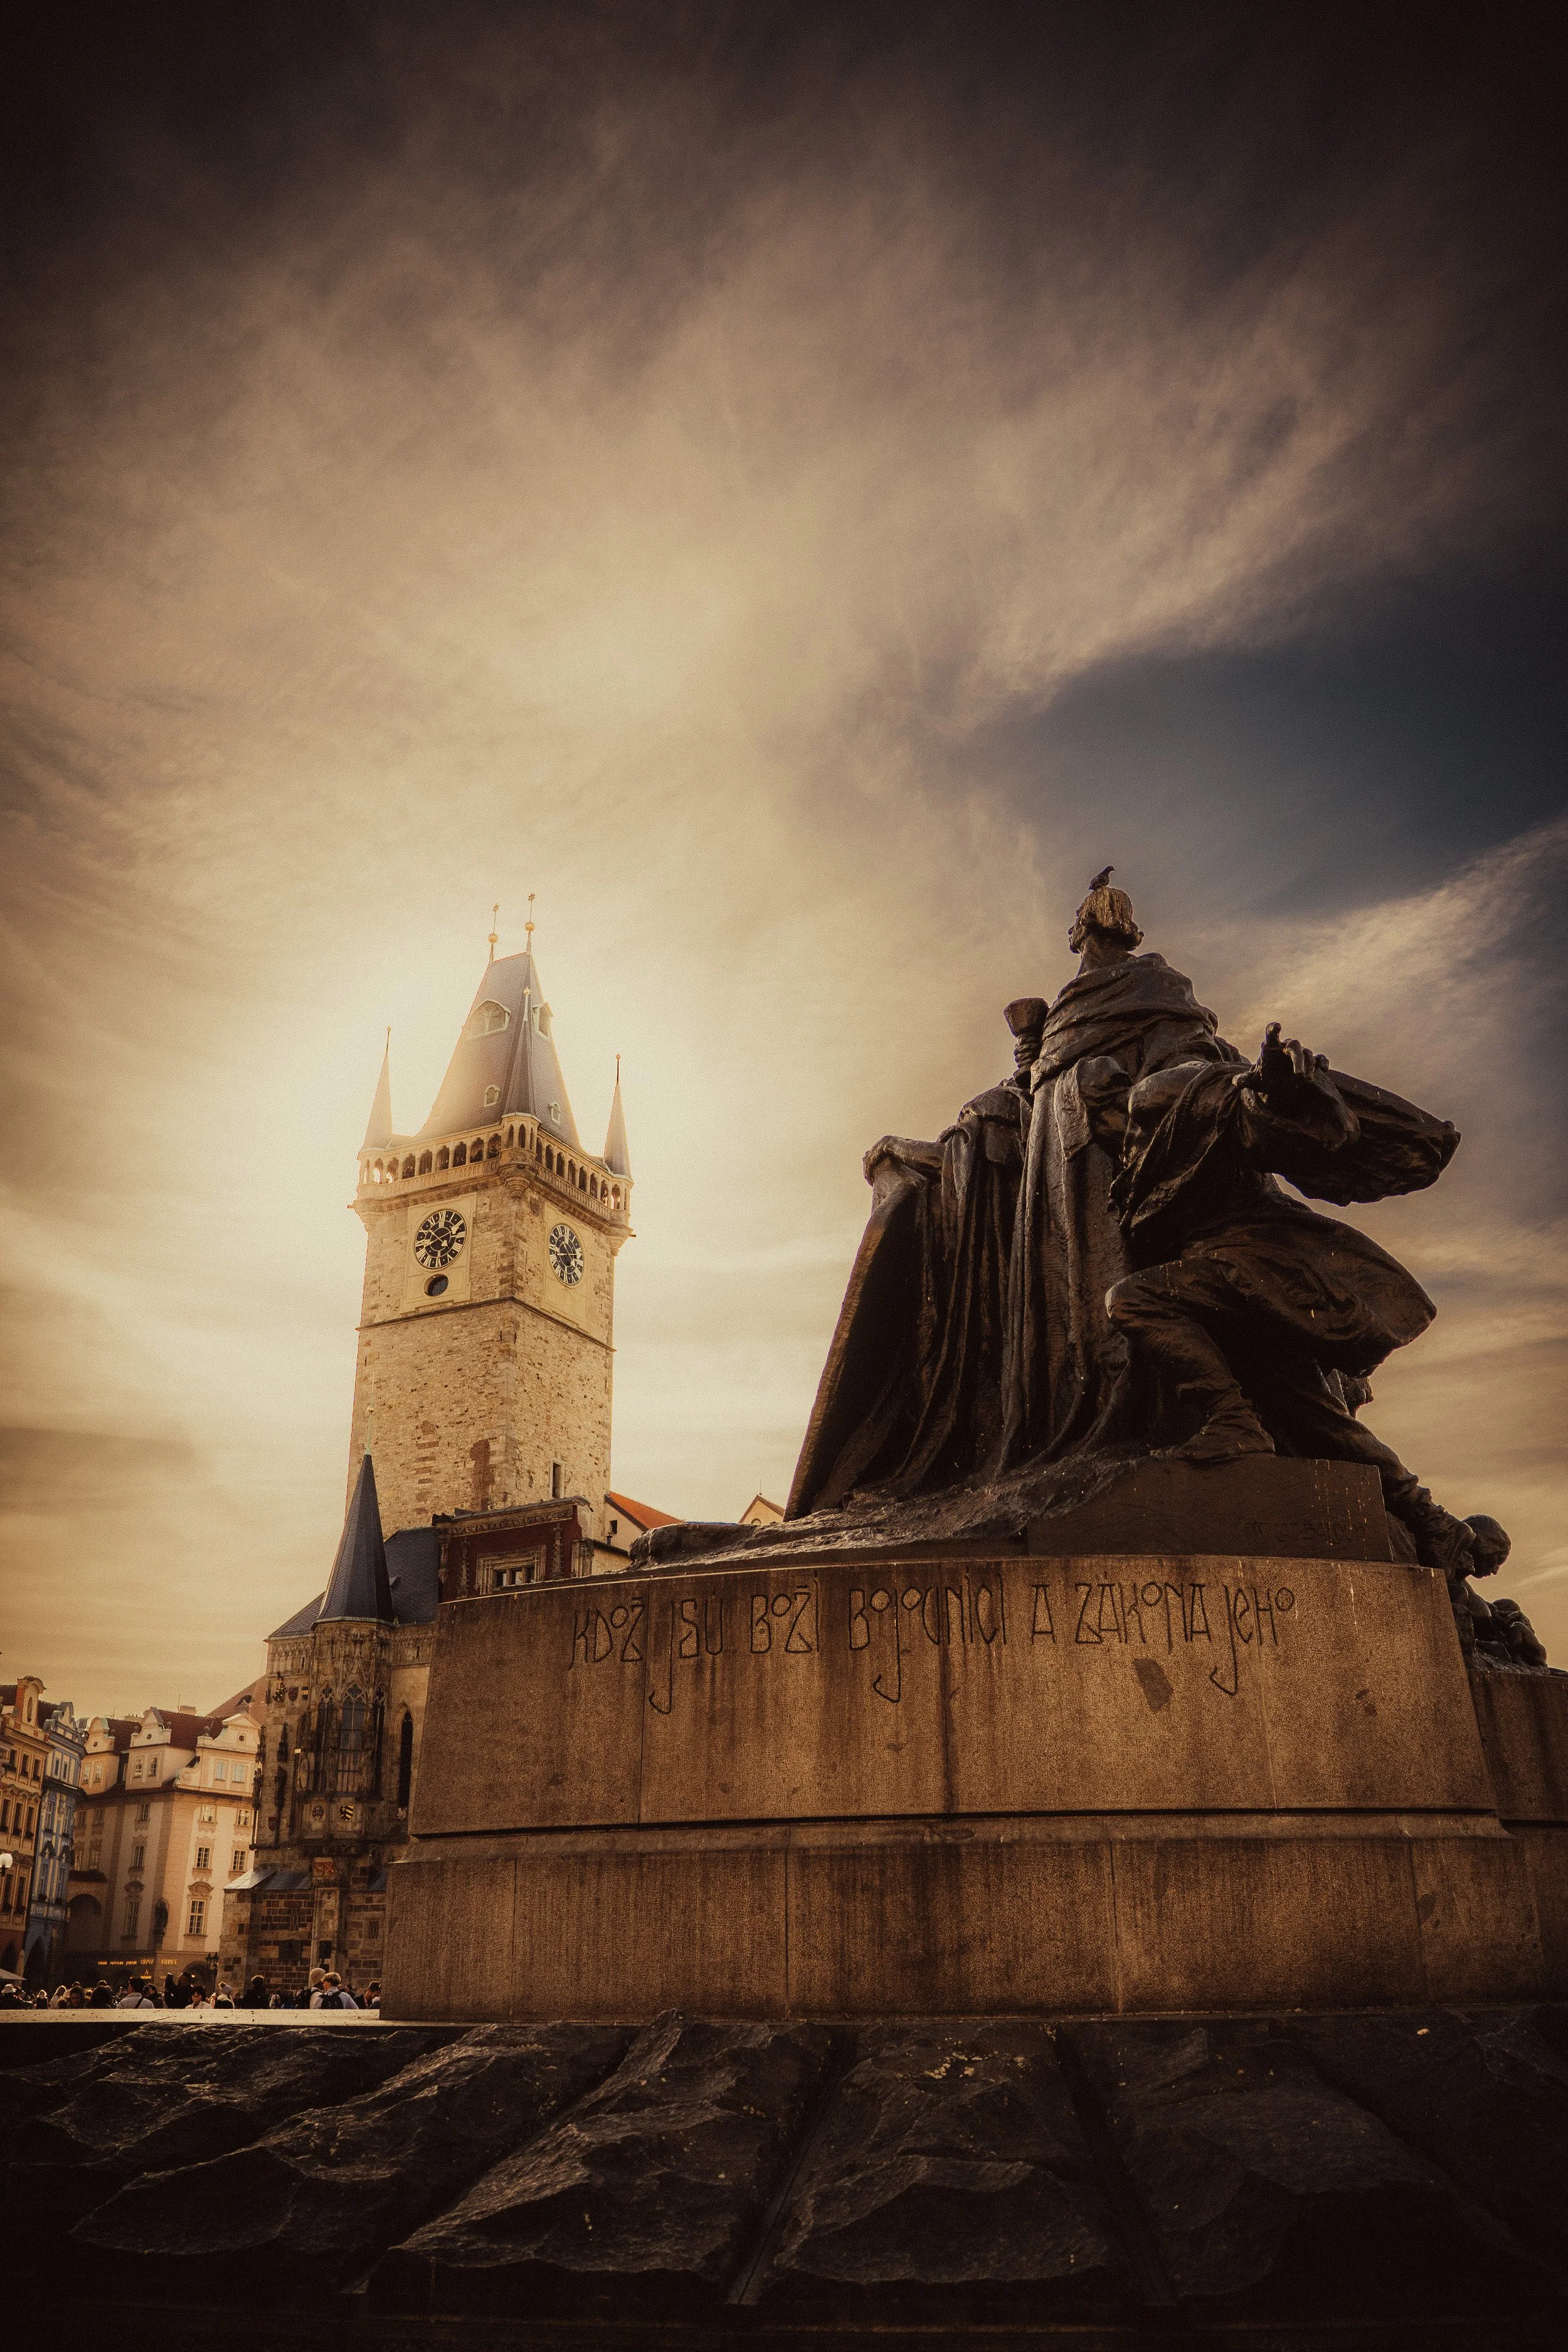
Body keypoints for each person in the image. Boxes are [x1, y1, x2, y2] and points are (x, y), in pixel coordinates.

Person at [788, 876, 1238, 1516]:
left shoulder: (1156, 987)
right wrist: (1018, 1073)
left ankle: (1111, 1418)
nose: (1090, 929)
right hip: (1049, 1176)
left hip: (1102, 1167)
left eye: (1094, 920)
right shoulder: (1068, 1007)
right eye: (1089, 919)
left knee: (1100, 1305)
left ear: (1099, 929)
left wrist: (1102, 1093)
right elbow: (1027, 1094)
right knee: (990, 1122)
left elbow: (1183, 1061)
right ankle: (1046, 1425)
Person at [1078, 1024, 1482, 1572]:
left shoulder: (1167, 1095)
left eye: (1095, 1105)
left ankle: (1233, 1420)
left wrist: (1273, 1086)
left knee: (1134, 1301)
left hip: (1257, 1263)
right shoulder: (1133, 1137)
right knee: (1311, 1416)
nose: (1100, 1126)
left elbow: (1247, 1106)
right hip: (1238, 1275)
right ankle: (1432, 1521)